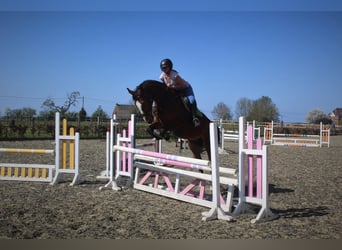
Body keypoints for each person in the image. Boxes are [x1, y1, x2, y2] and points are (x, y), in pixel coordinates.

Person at [159, 58, 200, 127]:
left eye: (166, 67)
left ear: (170, 67)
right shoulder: (162, 77)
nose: (164, 69)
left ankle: (195, 118)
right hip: (175, 90)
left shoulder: (174, 75)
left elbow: (182, 86)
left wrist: (172, 86)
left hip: (185, 89)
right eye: (163, 68)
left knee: (191, 100)